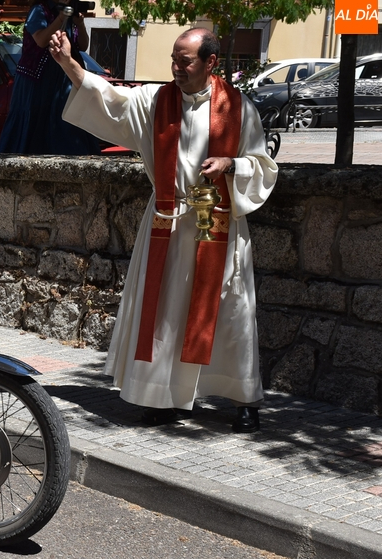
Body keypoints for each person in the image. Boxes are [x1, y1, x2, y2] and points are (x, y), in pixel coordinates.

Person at [49, 27, 278, 433]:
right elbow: (110, 97)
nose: (176, 67)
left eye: (185, 61)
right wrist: (69, 62)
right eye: (173, 58)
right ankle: (162, 396)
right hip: (168, 225)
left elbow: (263, 166)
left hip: (218, 226)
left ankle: (244, 398)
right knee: (166, 316)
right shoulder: (157, 102)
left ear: (210, 63)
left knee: (231, 314)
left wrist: (231, 165)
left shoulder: (240, 108)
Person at [0, 0, 105, 155]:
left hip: (62, 80)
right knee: (36, 123)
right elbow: (41, 40)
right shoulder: (39, 11)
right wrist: (61, 17)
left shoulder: (67, 12)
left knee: (65, 124)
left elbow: (82, 46)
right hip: (37, 81)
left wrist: (79, 24)